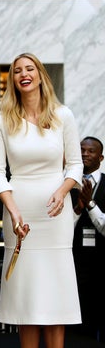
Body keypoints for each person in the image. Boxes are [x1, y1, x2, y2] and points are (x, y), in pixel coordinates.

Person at [0, 52, 82, 348]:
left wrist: (63, 189)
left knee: (56, 293)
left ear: (40, 75)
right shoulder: (2, 120)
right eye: (17, 71)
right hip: (19, 214)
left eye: (30, 69)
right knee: (26, 296)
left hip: (55, 215)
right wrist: (13, 210)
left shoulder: (62, 115)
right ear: (13, 80)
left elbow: (76, 164)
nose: (24, 74)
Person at [70, 136, 105, 341]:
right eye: (81, 150)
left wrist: (90, 205)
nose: (84, 154)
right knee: (78, 325)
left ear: (100, 157)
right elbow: (61, 228)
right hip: (75, 262)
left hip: (102, 263)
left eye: (90, 151)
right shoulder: (68, 186)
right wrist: (78, 209)